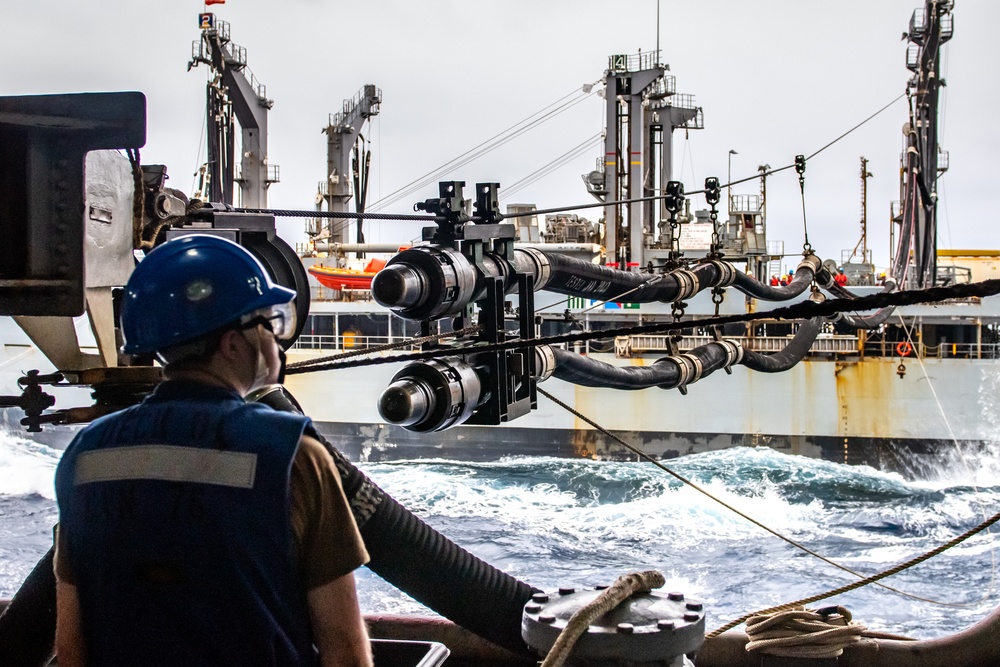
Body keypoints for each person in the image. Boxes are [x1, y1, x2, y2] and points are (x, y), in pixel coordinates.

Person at [53, 235, 373, 667]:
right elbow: (345, 651)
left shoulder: (85, 454)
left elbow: (72, 647)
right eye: (268, 323)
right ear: (231, 343)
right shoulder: (294, 456)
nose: (277, 340)